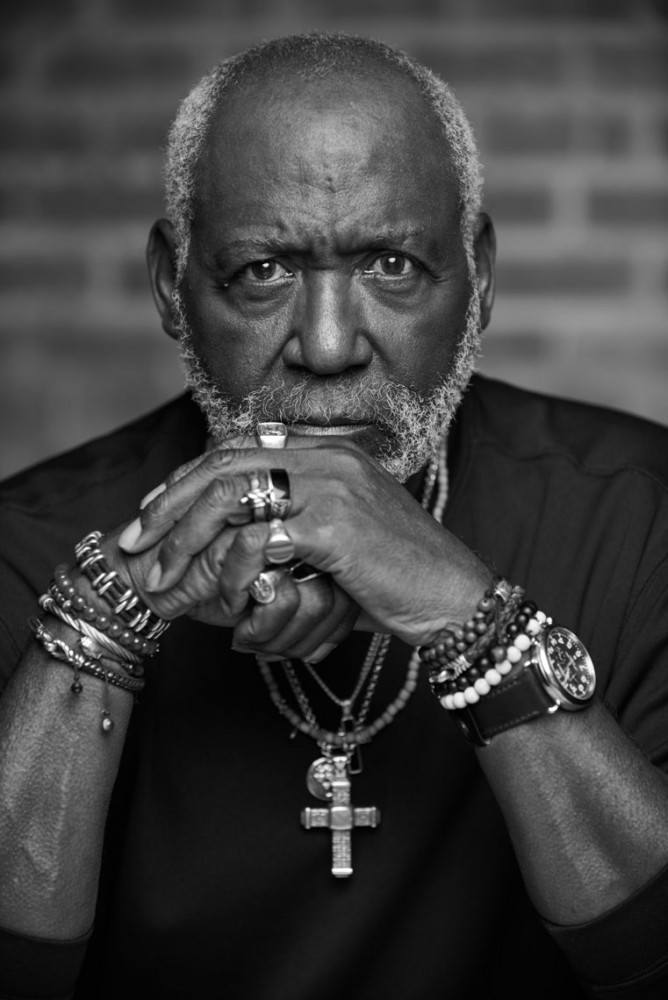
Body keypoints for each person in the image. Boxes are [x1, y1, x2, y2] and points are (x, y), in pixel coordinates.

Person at [1, 30, 667, 1000]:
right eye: (262, 271)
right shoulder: (25, 543)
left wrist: (464, 612)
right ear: (172, 288)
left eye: (390, 264)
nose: (325, 346)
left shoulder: (640, 514)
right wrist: (116, 609)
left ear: (478, 277)